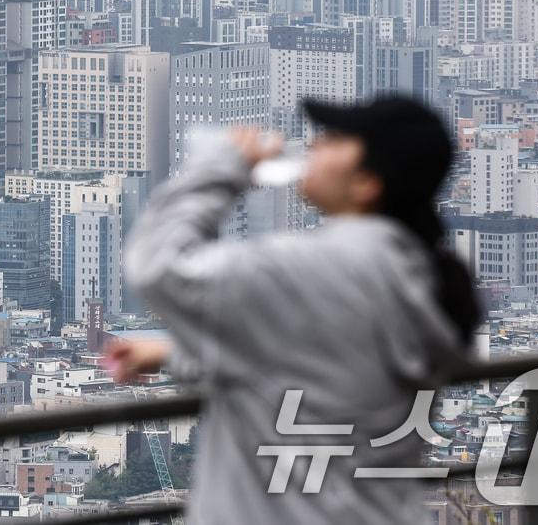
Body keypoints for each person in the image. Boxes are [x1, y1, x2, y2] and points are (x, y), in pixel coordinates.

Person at [110, 96, 479, 524]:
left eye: (336, 139)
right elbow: (315, 367)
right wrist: (174, 355)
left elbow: (157, 267)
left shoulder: (318, 266)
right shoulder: (409, 271)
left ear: (367, 183)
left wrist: (218, 170)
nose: (315, 145)